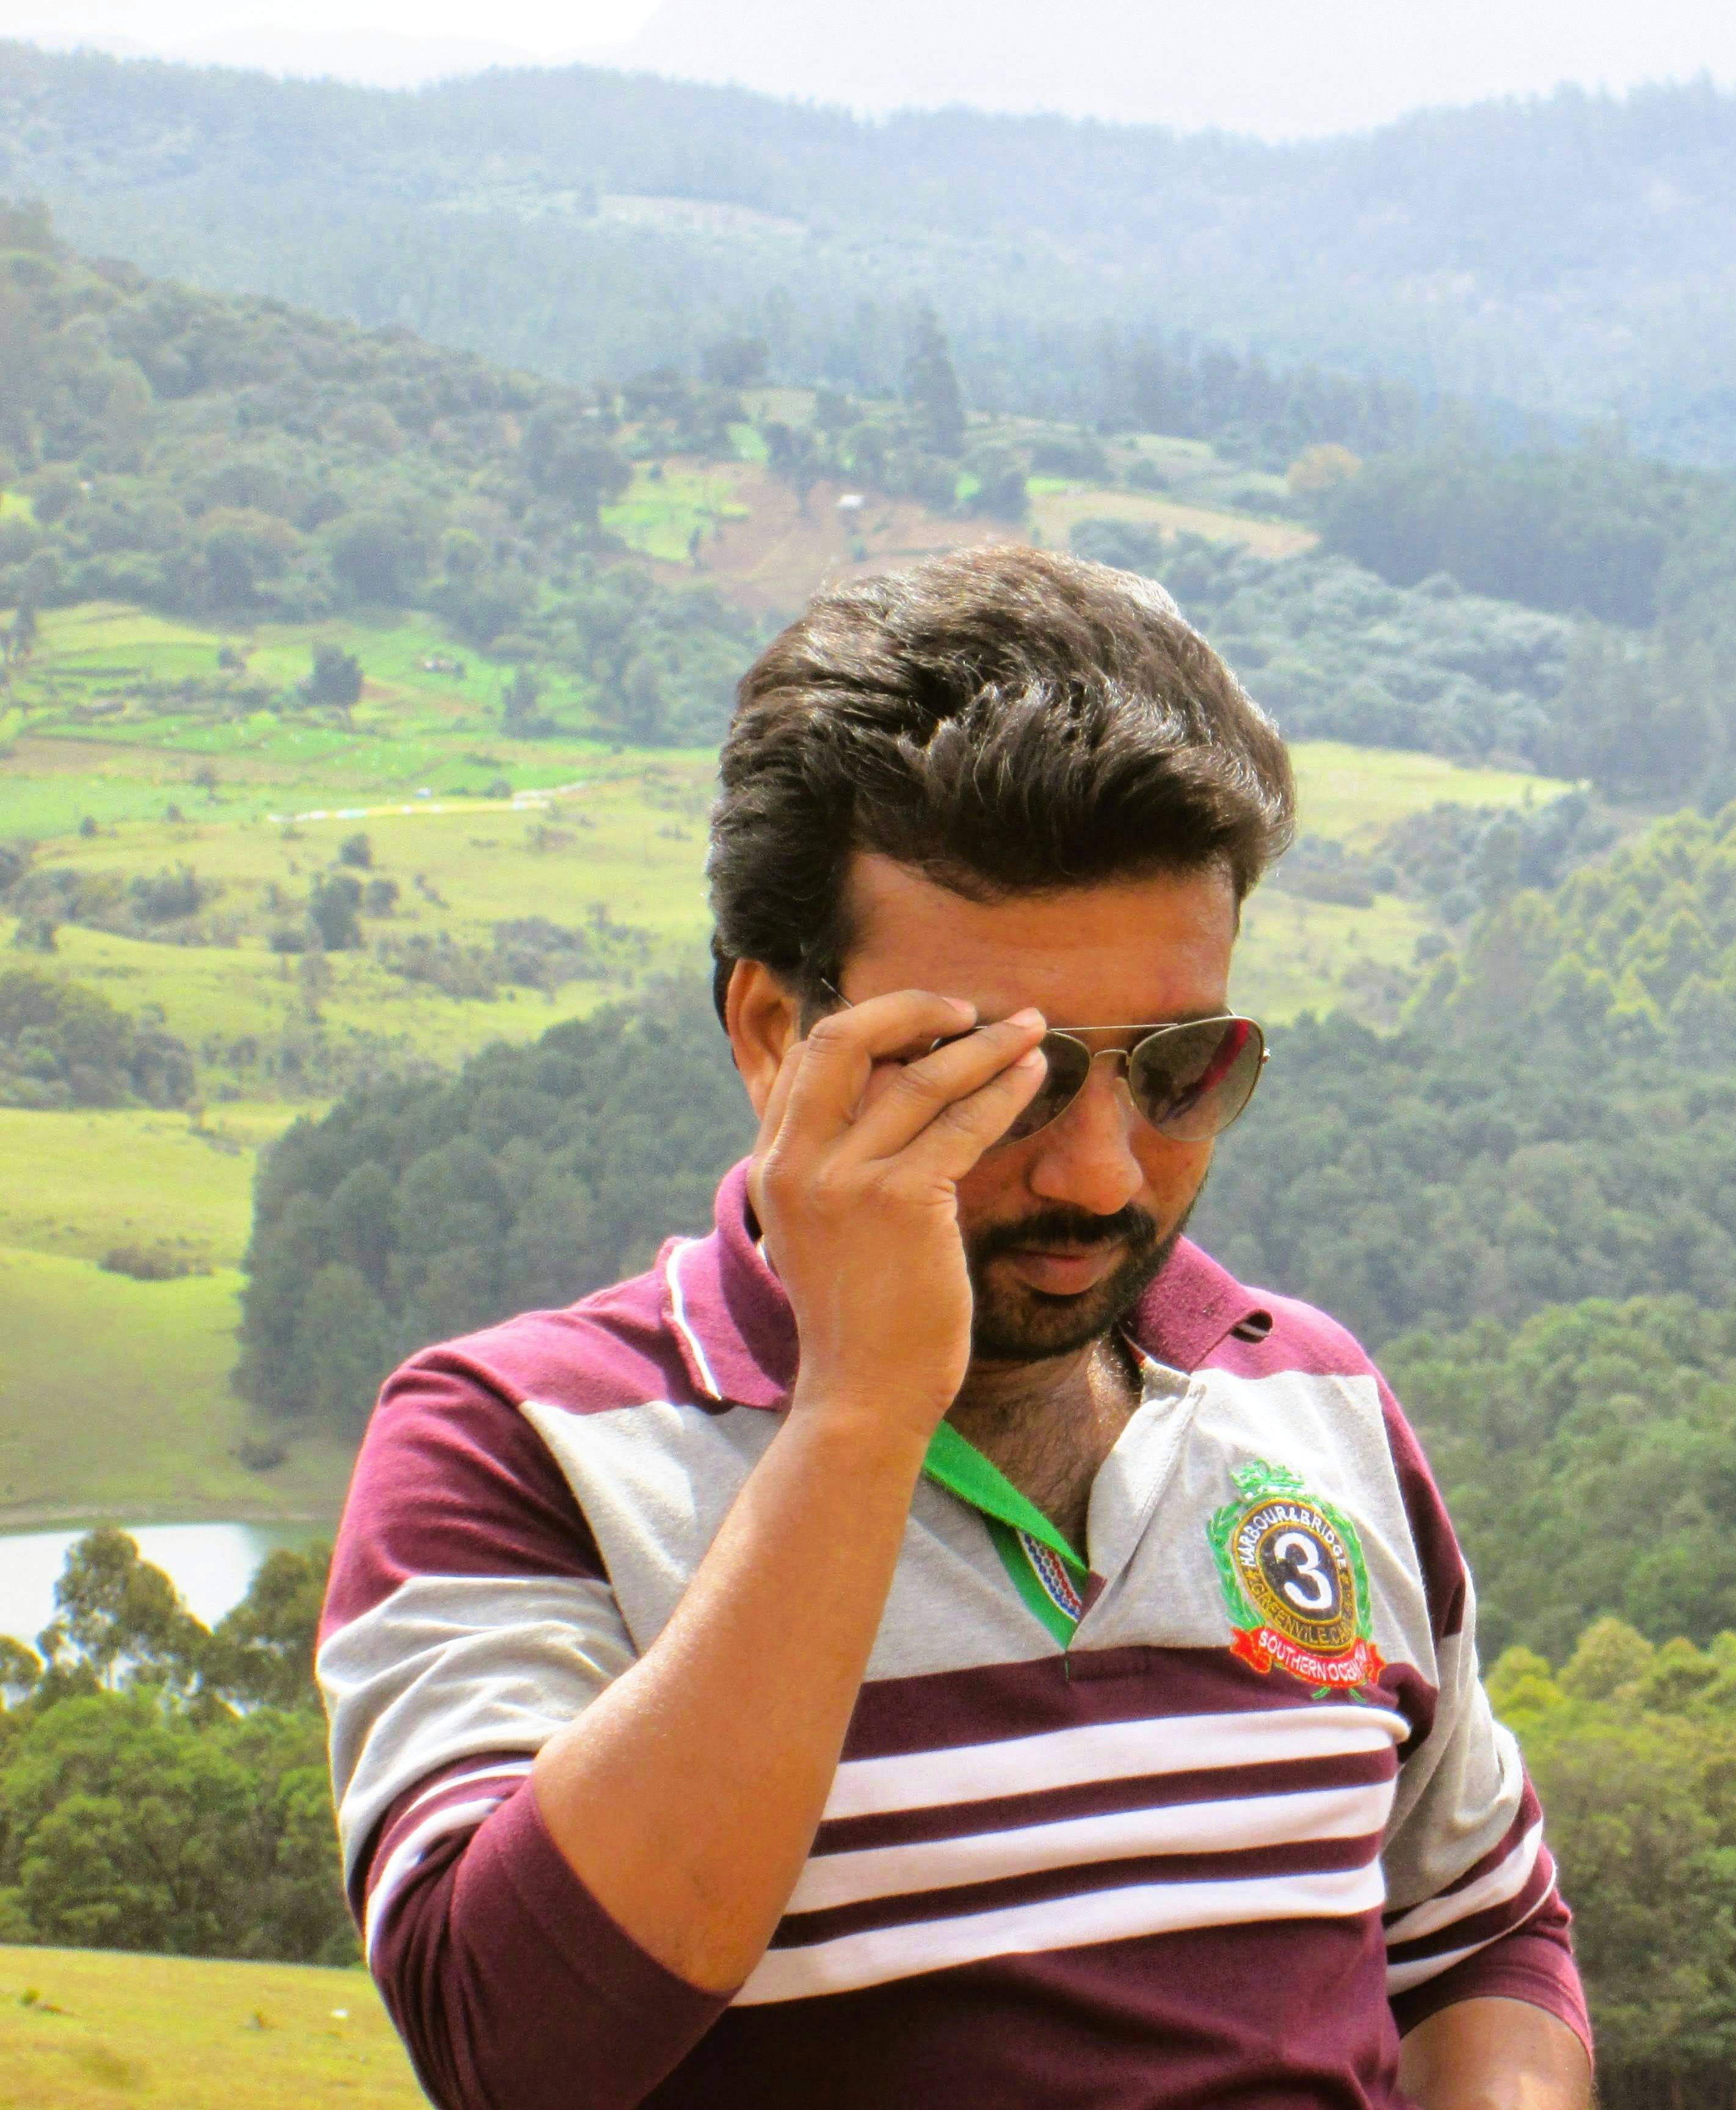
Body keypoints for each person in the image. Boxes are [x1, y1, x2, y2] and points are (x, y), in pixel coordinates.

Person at [317, 547, 1590, 2110]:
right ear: (778, 1035)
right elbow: (516, 2049)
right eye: (1002, 1077)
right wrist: (856, 1415)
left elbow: (1478, 1936)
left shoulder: (1308, 1392)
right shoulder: (520, 1451)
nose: (1101, 1172)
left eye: (1181, 1066)